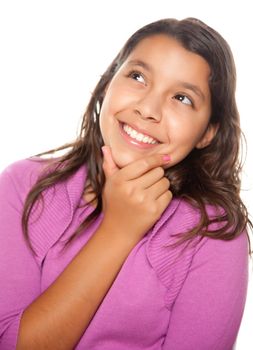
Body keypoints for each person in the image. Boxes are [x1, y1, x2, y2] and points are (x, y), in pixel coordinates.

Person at [0, 17, 251, 350]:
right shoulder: (24, 186)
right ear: (107, 83)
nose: (148, 109)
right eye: (137, 76)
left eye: (182, 98)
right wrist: (118, 230)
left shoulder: (212, 233)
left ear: (208, 132)